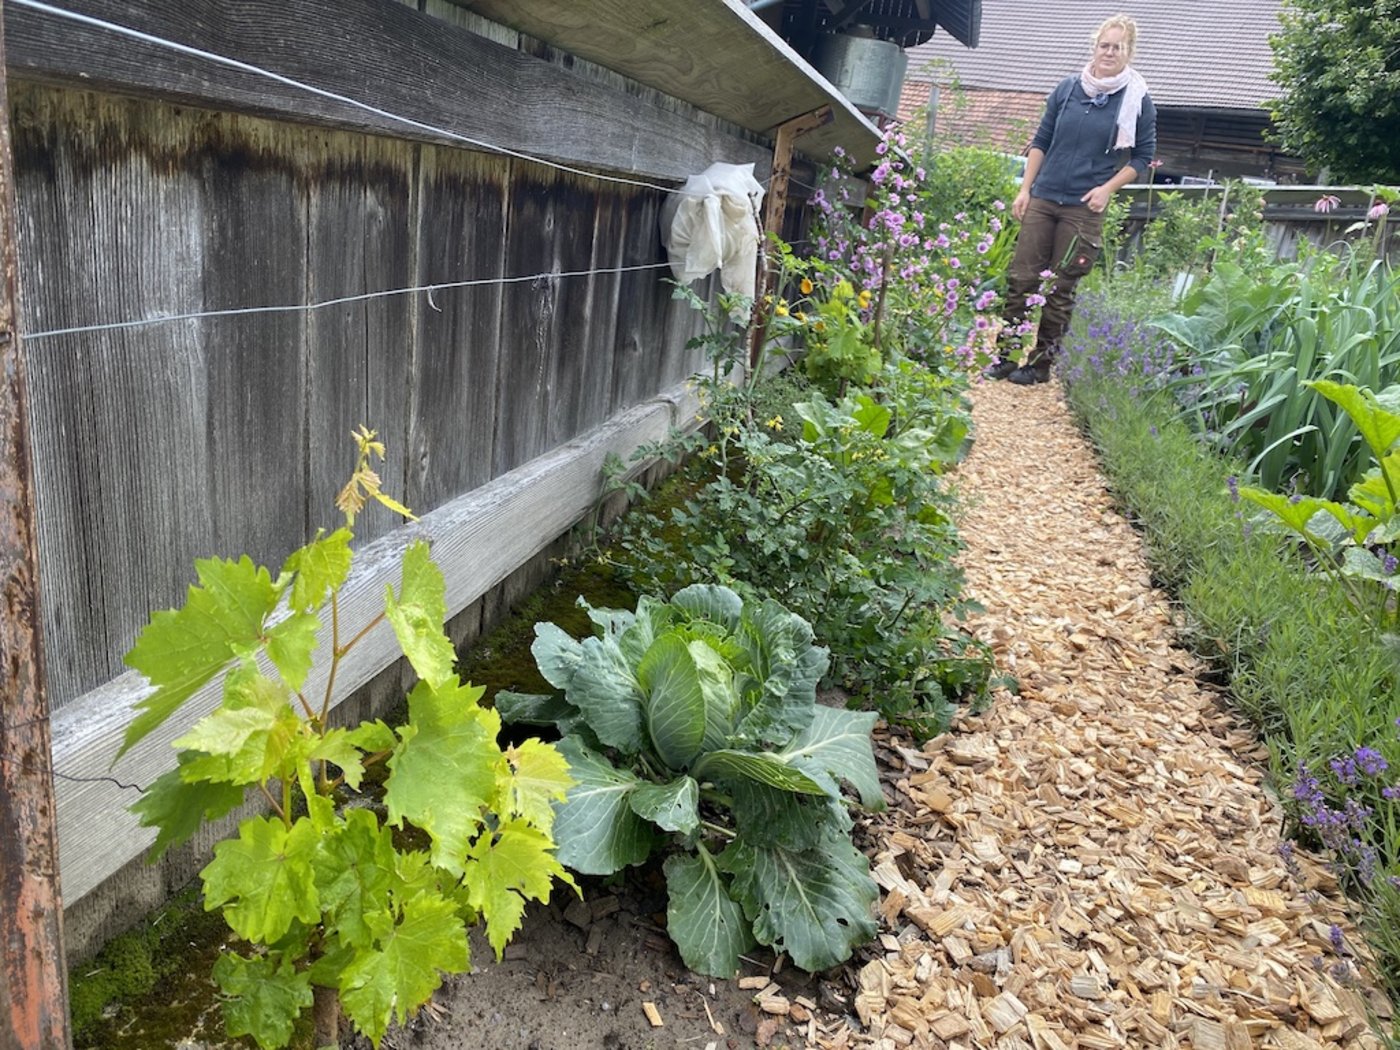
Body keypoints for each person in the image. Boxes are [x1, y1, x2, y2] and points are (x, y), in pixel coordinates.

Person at [988, 14, 1157, 385]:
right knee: (1022, 278)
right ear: (1095, 47)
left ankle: (1040, 365)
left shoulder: (1137, 100)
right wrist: (1024, 188)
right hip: (1044, 196)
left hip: (1084, 206)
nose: (1110, 52)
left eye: (1118, 47)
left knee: (1060, 287)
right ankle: (1005, 356)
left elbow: (1143, 157)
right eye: (1105, 45)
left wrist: (1107, 189)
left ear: (1129, 52)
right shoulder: (1067, 89)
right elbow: (1041, 140)